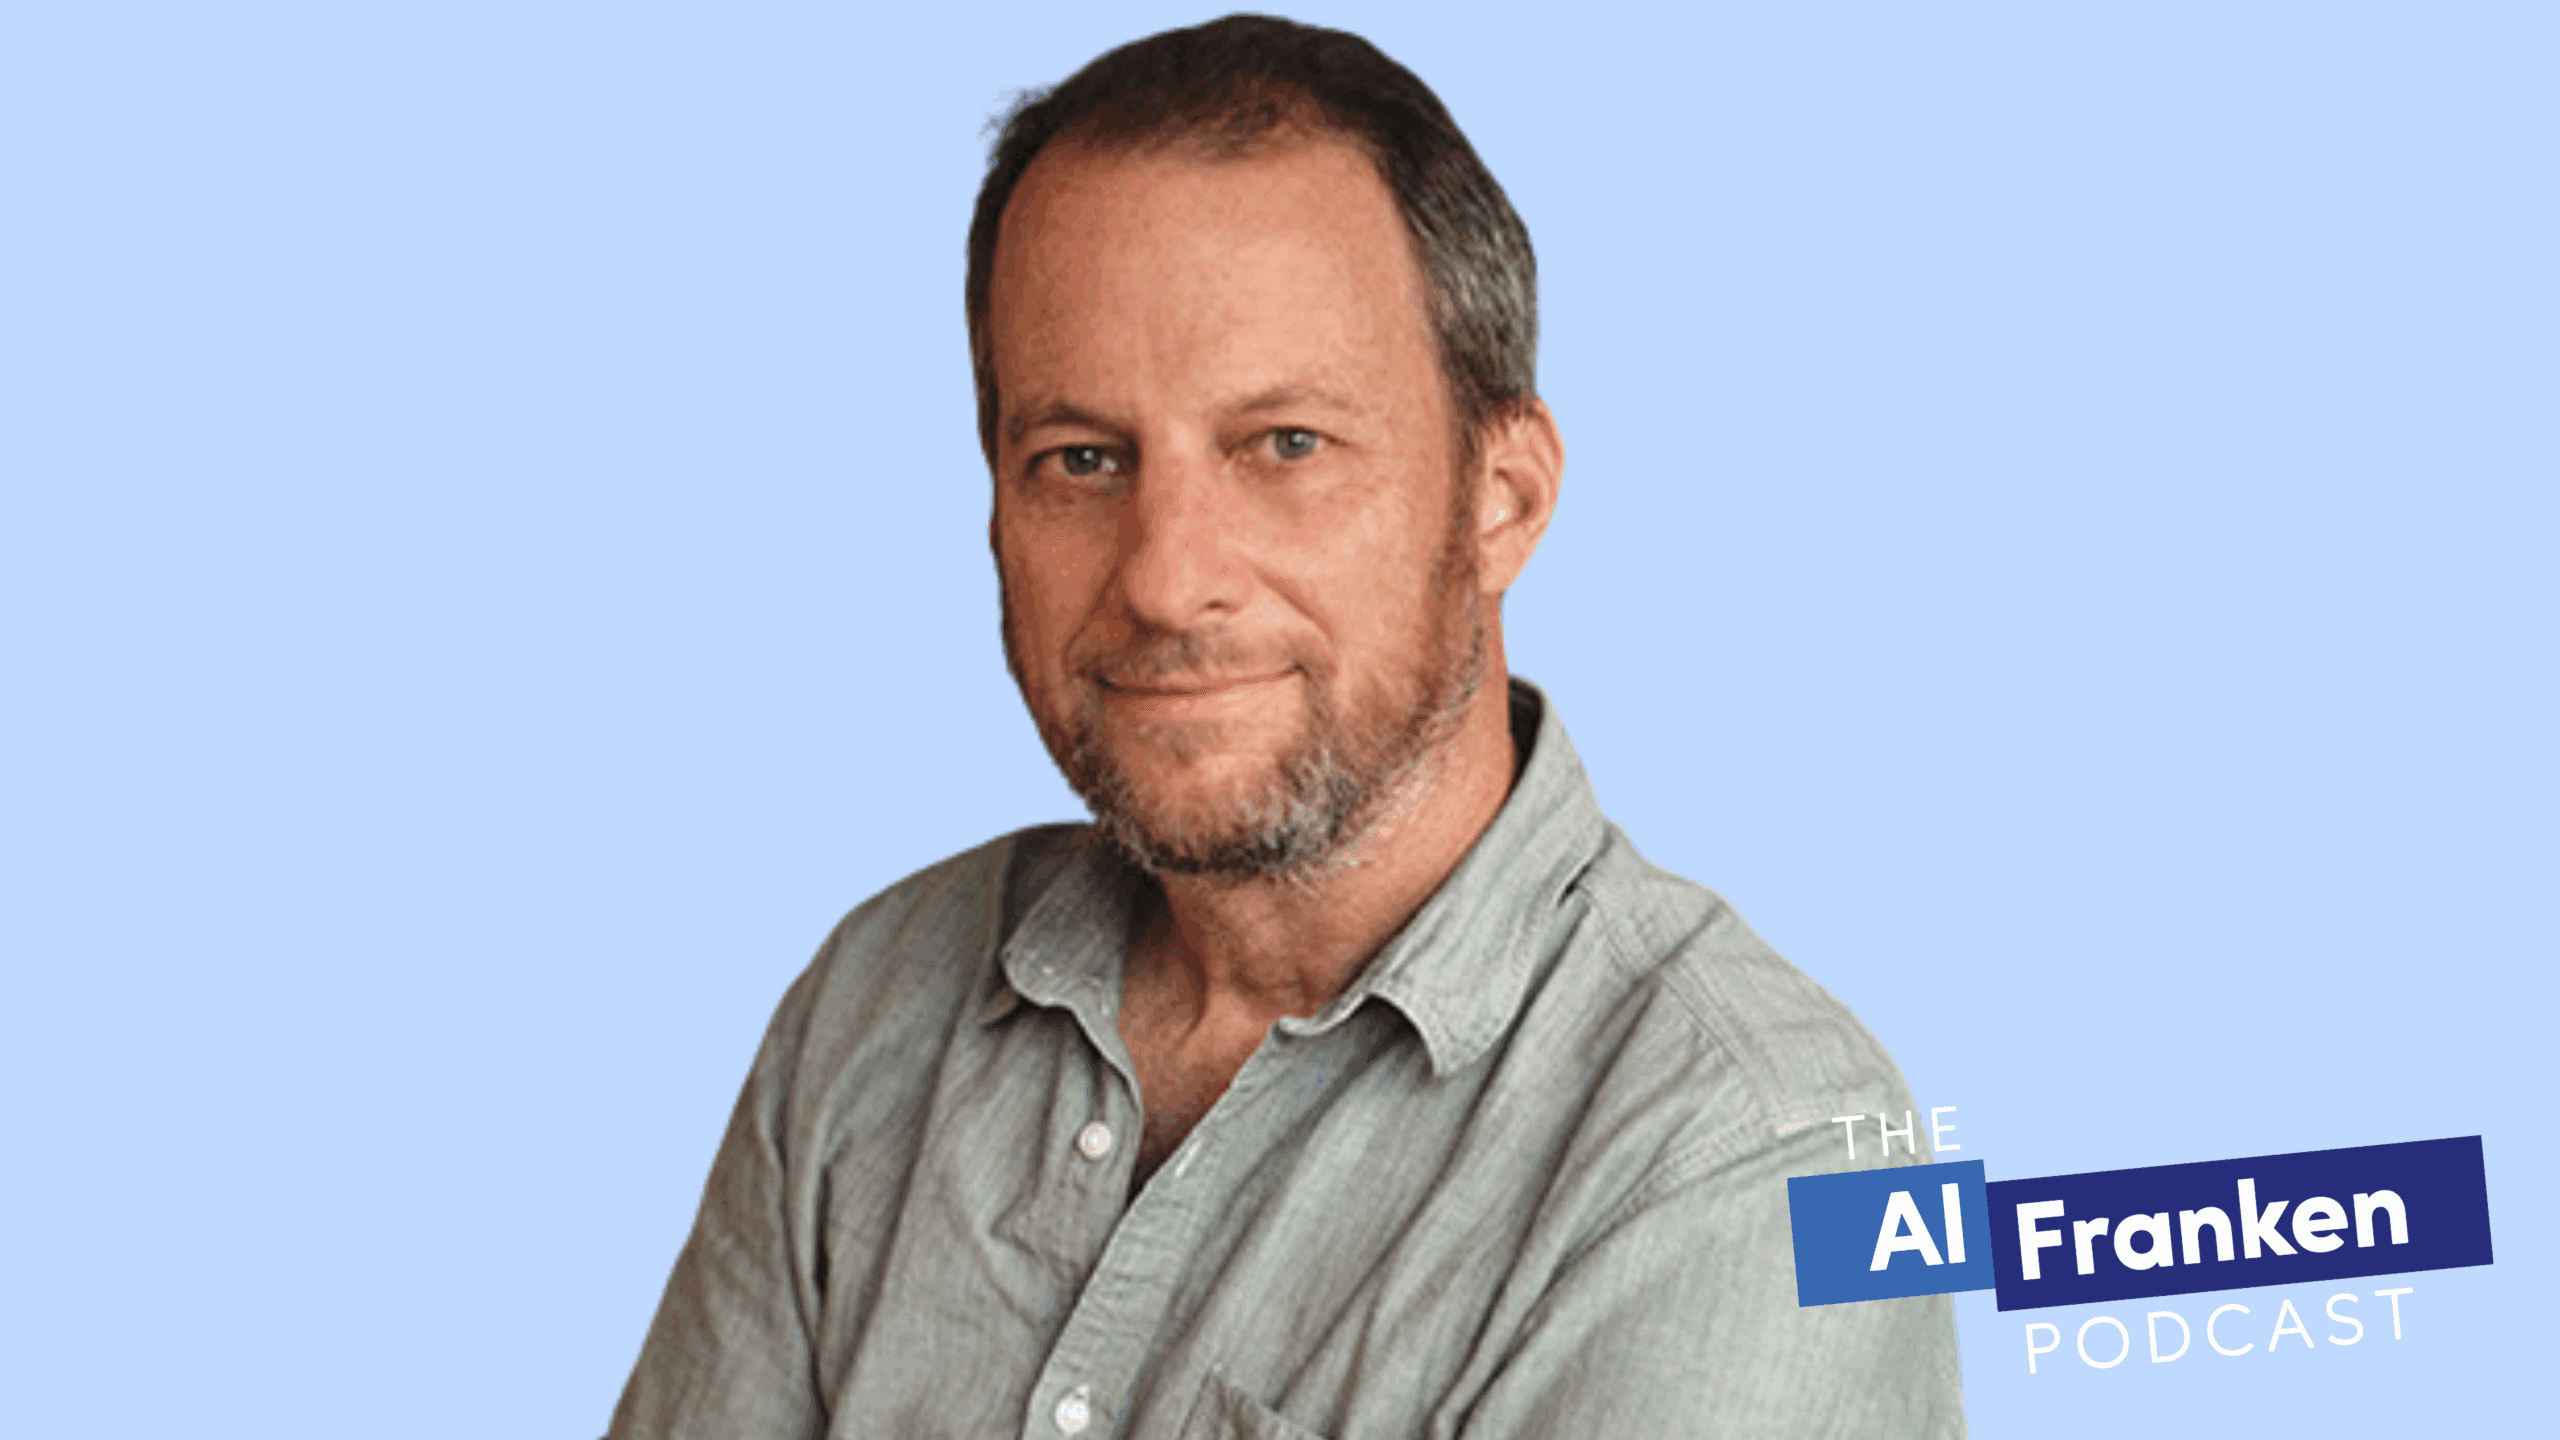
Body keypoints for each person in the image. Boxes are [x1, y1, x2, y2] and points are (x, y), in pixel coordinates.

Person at [609, 14, 1962, 1438]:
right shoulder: (879, 1000)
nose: (1165, 577)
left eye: (1287, 445)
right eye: (1082, 459)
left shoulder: (1781, 1160)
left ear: (1502, 498)